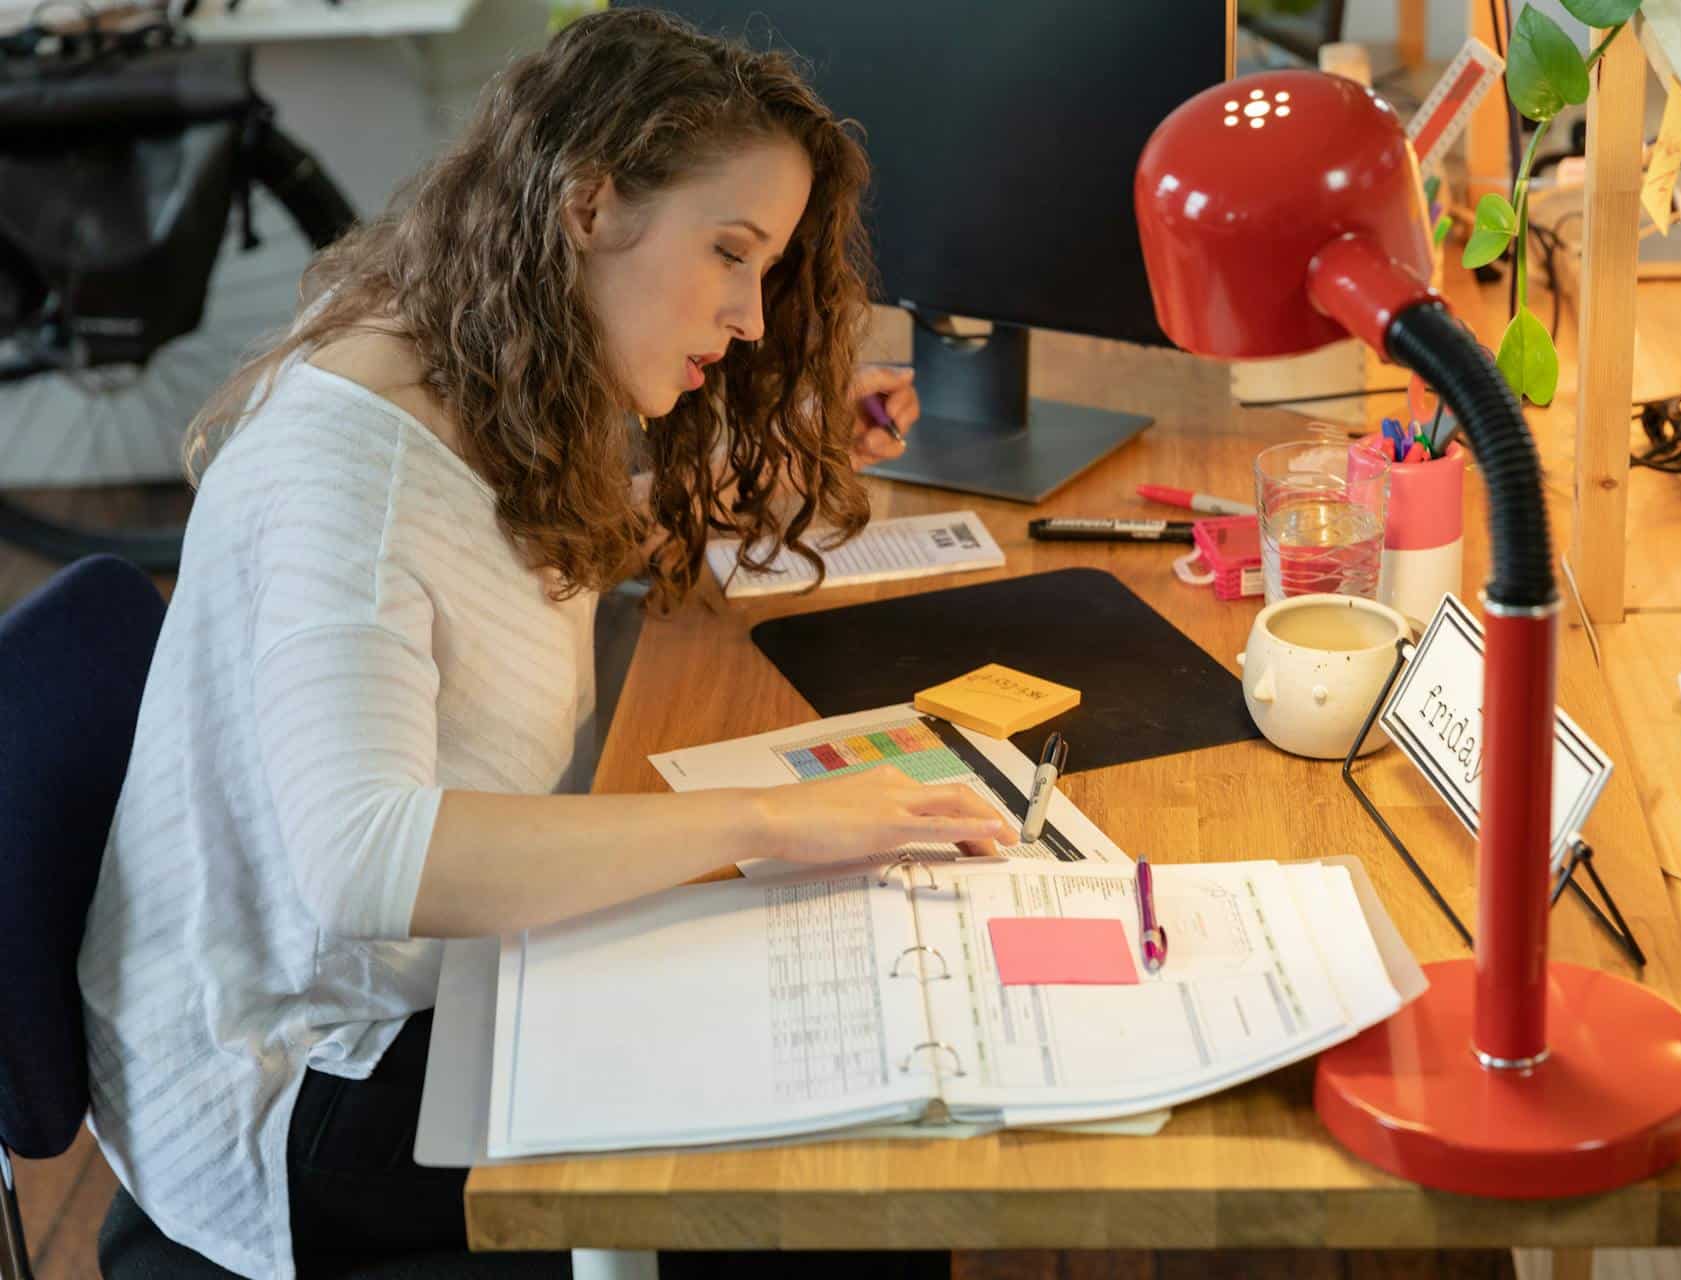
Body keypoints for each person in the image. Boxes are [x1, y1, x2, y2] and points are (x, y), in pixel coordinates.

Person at [77, 10, 1016, 1278]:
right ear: (590, 205)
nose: (748, 316)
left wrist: (764, 447)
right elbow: (364, 858)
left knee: (854, 1063)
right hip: (305, 1080)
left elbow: (485, 567)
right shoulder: (347, 475)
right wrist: (770, 823)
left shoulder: (470, 363)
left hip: (432, 986)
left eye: (768, 270)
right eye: (729, 253)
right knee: (856, 1175)